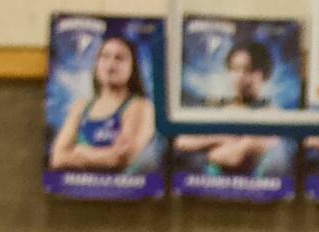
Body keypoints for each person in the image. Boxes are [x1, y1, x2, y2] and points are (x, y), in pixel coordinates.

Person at [172, 39, 284, 178]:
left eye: (248, 70)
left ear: (264, 74)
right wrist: (221, 138)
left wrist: (206, 145)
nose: (240, 77)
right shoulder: (219, 105)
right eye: (235, 69)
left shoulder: (270, 113)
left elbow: (230, 158)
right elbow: (180, 141)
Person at [49, 33, 158, 174]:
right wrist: (103, 154)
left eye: (119, 58)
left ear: (133, 67)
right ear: (96, 64)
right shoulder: (80, 107)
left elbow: (119, 159)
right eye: (105, 56)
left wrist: (80, 151)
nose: (110, 64)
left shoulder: (140, 106)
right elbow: (57, 158)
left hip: (125, 191)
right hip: (78, 190)